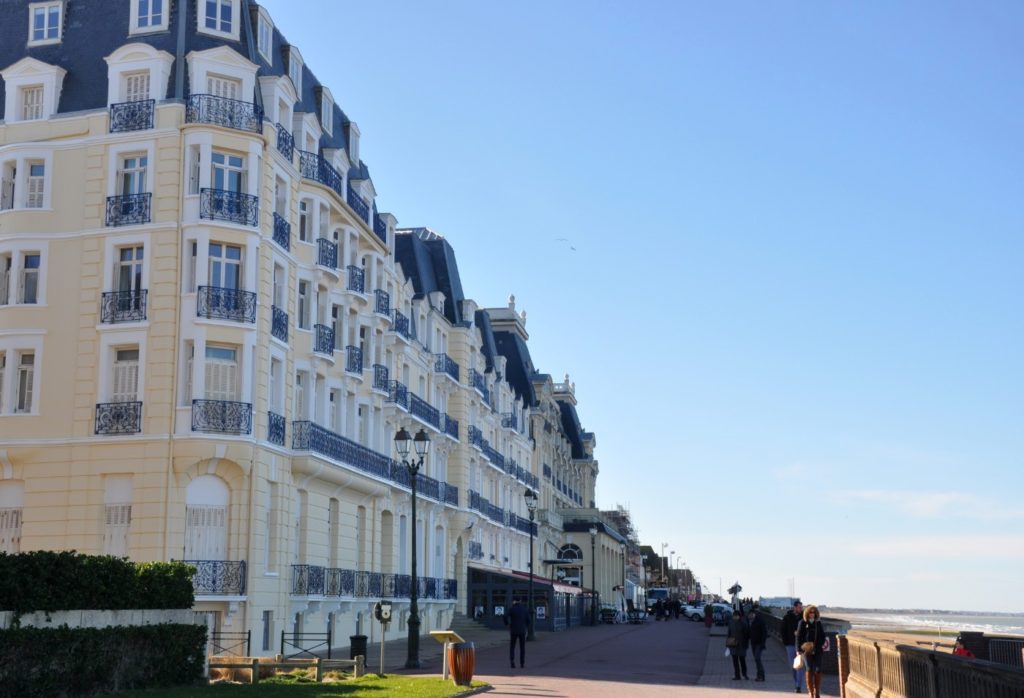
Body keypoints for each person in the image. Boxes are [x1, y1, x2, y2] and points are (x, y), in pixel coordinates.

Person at [796, 604, 826, 698]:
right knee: (809, 669)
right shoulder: (802, 623)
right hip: (806, 651)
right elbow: (798, 637)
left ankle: (817, 691)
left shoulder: (818, 623)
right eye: (810, 612)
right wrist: (798, 649)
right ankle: (811, 692)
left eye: (813, 612)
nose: (812, 614)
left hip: (817, 650)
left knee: (818, 670)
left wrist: (817, 645)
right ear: (807, 613)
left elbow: (823, 637)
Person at [782, 599, 804, 693]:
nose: (800, 609)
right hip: (790, 644)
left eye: (801, 607)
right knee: (793, 666)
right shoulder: (787, 617)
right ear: (794, 607)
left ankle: (798, 686)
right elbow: (783, 631)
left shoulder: (803, 617)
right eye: (799, 607)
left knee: (800, 665)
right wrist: (786, 642)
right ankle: (796, 683)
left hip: (801, 645)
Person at [504, 599, 529, 669]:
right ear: (520, 601)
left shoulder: (512, 609)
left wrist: (507, 624)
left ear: (514, 601)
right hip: (522, 630)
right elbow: (528, 620)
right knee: (522, 647)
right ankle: (522, 663)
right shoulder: (524, 609)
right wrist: (526, 627)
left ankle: (512, 661)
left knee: (512, 647)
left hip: (514, 630)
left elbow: (505, 616)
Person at [726, 609, 750, 680]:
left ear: (739, 616)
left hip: (742, 644)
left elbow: (747, 635)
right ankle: (737, 675)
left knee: (742, 660)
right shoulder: (731, 622)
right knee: (735, 661)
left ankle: (744, 674)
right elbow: (729, 633)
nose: (734, 617)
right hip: (733, 644)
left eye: (736, 616)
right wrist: (728, 644)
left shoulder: (744, 623)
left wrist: (746, 644)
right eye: (734, 616)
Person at [748, 608, 767, 681]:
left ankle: (761, 675)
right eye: (748, 615)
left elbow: (764, 633)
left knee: (757, 658)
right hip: (753, 643)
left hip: (759, 643)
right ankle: (760, 675)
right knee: (756, 660)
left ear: (753, 614)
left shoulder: (760, 621)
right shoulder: (749, 621)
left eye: (750, 615)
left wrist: (763, 643)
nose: (749, 616)